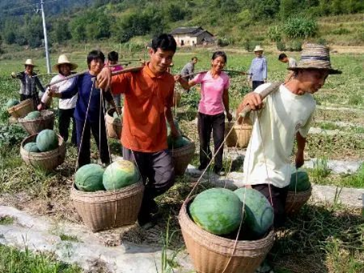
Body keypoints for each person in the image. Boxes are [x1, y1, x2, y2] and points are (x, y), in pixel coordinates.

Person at [237, 44, 341, 272]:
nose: (322, 83)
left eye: (325, 78)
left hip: (283, 168)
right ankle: (253, 261)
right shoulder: (269, 92)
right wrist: (248, 99)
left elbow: (301, 132)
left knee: (276, 218)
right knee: (269, 217)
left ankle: (256, 248)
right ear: (300, 71)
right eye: (318, 76)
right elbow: (240, 114)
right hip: (260, 168)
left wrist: (301, 153)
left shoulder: (309, 104)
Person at [97, 34, 180, 227]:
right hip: (134, 141)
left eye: (169, 57)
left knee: (167, 178)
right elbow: (102, 85)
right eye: (161, 55)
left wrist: (173, 128)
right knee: (137, 181)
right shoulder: (132, 75)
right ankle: (142, 217)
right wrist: (107, 71)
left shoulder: (169, 80)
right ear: (151, 52)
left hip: (158, 141)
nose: (164, 61)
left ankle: (145, 198)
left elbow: (167, 107)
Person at [48, 50, 118, 168]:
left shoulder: (102, 77)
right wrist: (54, 95)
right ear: (89, 63)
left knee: (102, 141)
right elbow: (69, 92)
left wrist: (116, 107)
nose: (98, 64)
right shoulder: (81, 77)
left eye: (101, 62)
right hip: (81, 116)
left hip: (98, 115)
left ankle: (106, 161)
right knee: (82, 143)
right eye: (95, 61)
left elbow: (107, 94)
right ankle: (84, 166)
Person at [175, 51, 233, 176]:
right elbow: (186, 86)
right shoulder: (202, 76)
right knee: (203, 141)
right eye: (217, 61)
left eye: (222, 62)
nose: (219, 64)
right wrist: (180, 80)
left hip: (218, 114)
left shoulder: (225, 78)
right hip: (203, 113)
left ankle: (218, 167)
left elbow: (225, 96)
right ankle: (204, 163)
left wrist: (228, 112)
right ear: (212, 62)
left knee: (219, 141)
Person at [38, 54, 78, 146]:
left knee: (77, 125)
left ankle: (75, 142)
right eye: (62, 66)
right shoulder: (55, 80)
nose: (65, 68)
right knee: (63, 126)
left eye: (66, 66)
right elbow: (48, 92)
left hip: (75, 105)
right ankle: (63, 141)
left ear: (69, 67)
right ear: (59, 68)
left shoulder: (75, 78)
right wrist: (42, 103)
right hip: (63, 107)